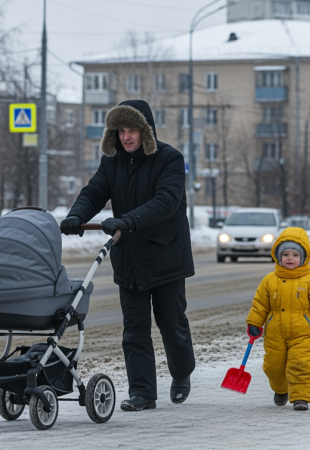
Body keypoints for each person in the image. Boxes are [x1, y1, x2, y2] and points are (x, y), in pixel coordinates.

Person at [60, 99, 195, 412]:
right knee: (134, 328)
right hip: (130, 259)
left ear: (145, 131)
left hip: (166, 258)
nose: (126, 136)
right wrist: (76, 215)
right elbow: (95, 191)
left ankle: (181, 372)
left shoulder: (169, 159)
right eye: (120, 130)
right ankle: (143, 393)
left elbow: (167, 201)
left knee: (171, 323)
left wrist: (127, 220)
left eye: (132, 129)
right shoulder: (112, 162)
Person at [245, 227, 310, 411]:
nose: (289, 258)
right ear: (278, 256)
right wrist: (255, 322)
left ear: (303, 258)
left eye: (295, 254)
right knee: (273, 366)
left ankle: (300, 397)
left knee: (300, 364)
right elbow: (260, 304)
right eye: (285, 254)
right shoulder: (269, 280)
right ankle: (280, 389)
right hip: (275, 332)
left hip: (303, 332)